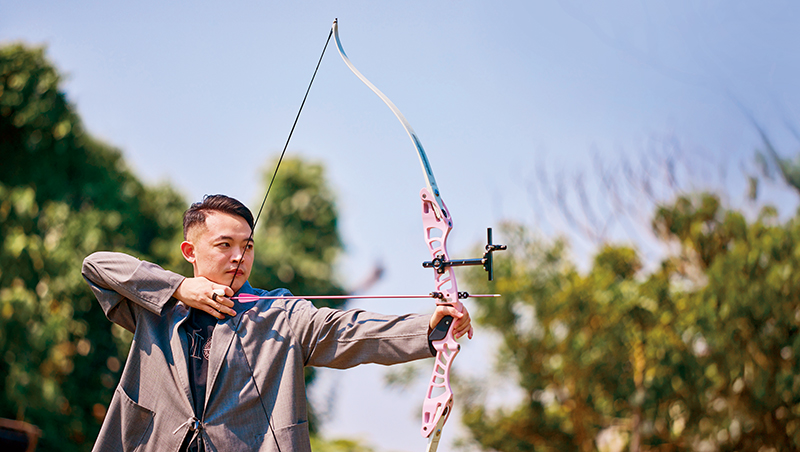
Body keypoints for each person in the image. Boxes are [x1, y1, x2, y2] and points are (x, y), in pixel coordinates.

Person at [82, 194, 472, 452]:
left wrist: (431, 328)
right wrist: (181, 288)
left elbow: (347, 330)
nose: (239, 256)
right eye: (225, 245)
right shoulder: (158, 307)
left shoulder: (280, 314)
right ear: (190, 251)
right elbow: (96, 266)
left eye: (247, 245)